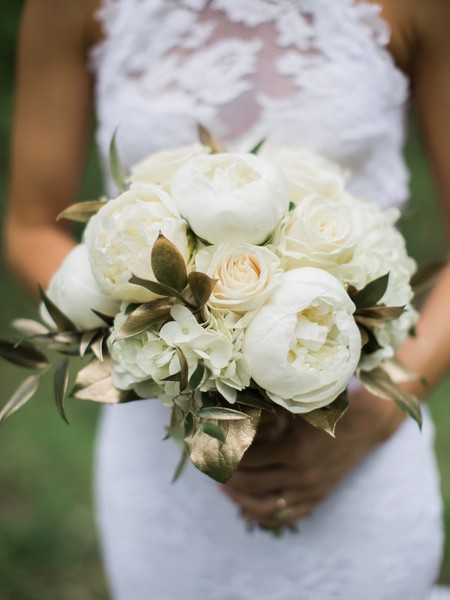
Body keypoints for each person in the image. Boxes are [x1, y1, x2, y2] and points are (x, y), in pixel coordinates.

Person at [5, 0, 450, 598]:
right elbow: (30, 223)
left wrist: (377, 418)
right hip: (162, 438)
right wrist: (148, 341)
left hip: (357, 432)